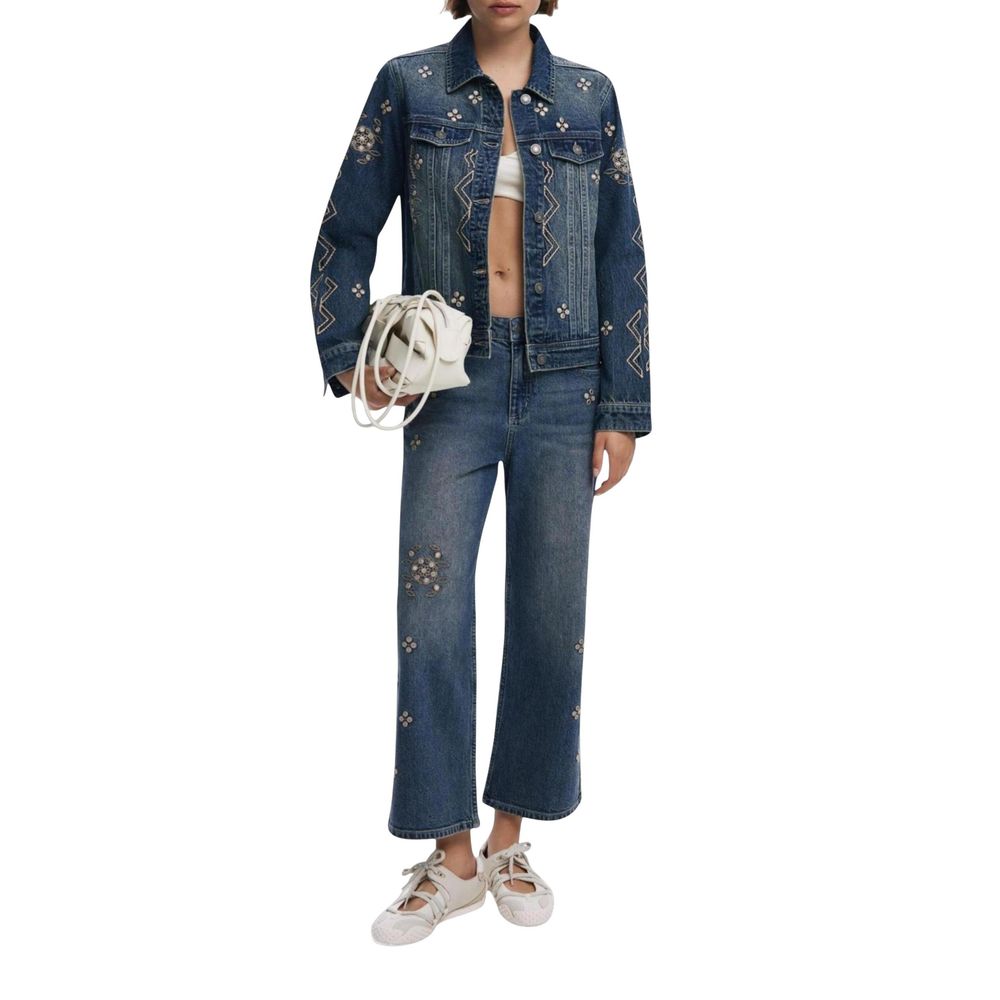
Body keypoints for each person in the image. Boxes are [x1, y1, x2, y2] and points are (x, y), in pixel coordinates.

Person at [309, 0, 651, 945]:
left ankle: (509, 840)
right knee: (430, 615)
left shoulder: (589, 96)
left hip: (568, 385)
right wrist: (350, 356)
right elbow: (345, 231)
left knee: (549, 613)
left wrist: (624, 406)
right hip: (448, 382)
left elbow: (621, 252)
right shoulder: (409, 84)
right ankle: (451, 857)